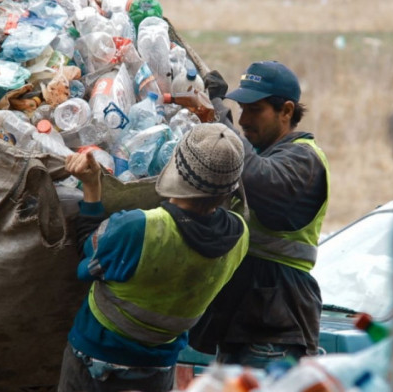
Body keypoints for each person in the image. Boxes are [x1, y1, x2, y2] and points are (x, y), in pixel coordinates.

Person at [57, 123, 250, 392]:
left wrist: (91, 186)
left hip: (97, 360)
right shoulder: (240, 235)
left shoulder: (138, 228)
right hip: (159, 369)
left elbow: (87, 250)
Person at [189, 61, 331, 368]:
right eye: (240, 110)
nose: (243, 120)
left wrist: (217, 117)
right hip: (247, 321)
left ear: (287, 111)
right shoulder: (264, 154)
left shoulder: (304, 159)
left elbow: (256, 178)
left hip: (276, 325)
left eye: (255, 110)